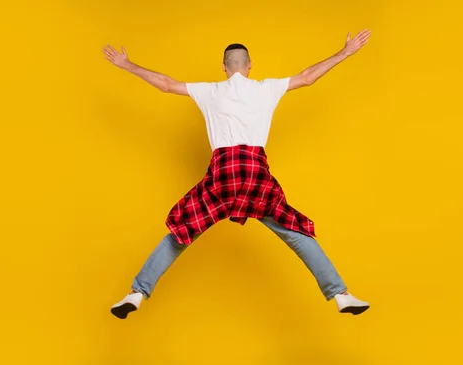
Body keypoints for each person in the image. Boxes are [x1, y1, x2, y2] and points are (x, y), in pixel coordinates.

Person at [103, 29, 372, 319]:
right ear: (249, 65)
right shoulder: (265, 88)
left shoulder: (209, 91)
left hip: (223, 173)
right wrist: (345, 52)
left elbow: (166, 85)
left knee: (181, 231)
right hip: (256, 171)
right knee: (294, 230)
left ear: (223, 67)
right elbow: (308, 77)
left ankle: (137, 292)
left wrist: (127, 65)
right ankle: (340, 294)